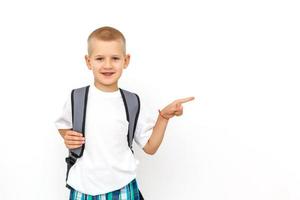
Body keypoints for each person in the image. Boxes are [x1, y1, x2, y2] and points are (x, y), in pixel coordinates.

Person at [54, 26, 194, 199]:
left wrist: (163, 117)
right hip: (83, 187)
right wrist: (67, 136)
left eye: (115, 58)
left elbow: (150, 147)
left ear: (126, 61)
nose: (107, 65)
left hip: (122, 186)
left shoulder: (132, 101)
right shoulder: (77, 97)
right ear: (88, 61)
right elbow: (63, 125)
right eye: (99, 58)